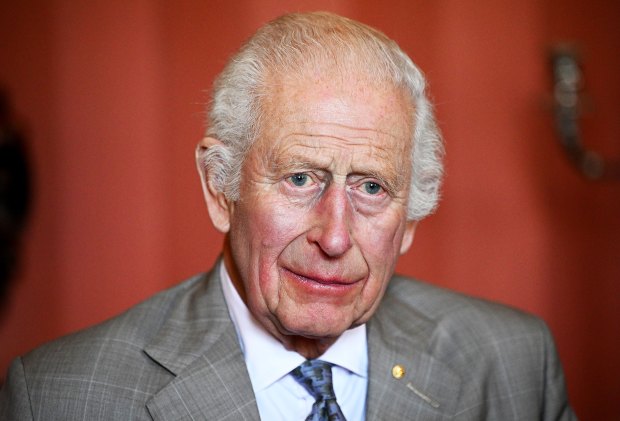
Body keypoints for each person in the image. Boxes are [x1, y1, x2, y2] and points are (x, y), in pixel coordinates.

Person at [0, 12, 575, 420]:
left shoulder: (514, 362)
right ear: (220, 188)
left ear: (412, 219)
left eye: (372, 187)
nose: (335, 236)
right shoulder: (58, 398)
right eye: (300, 178)